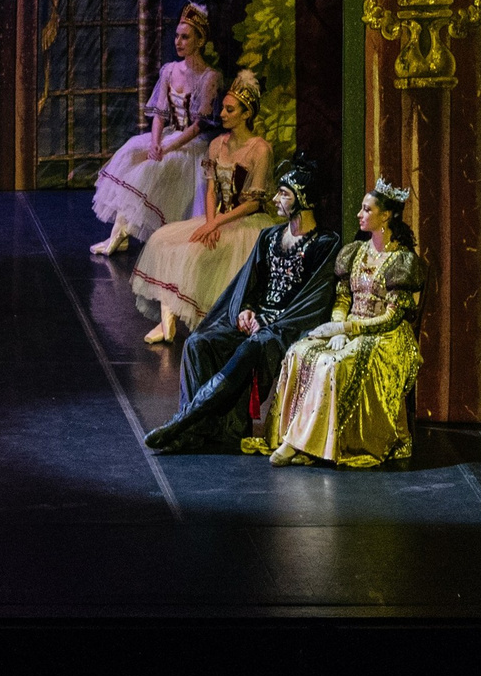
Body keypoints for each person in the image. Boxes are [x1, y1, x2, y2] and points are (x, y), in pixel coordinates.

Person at [142, 152, 340, 454]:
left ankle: (185, 422)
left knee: (252, 348)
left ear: (304, 200)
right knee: (199, 342)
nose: (275, 199)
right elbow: (247, 284)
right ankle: (199, 427)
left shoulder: (325, 244)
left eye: (283, 194)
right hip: (256, 323)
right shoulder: (269, 237)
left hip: (283, 329)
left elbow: (313, 299)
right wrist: (245, 310)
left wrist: (270, 323)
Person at [250, 179, 424, 467]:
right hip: (351, 326)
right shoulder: (355, 251)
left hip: (386, 337)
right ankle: (293, 438)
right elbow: (343, 298)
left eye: (367, 210)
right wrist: (338, 324)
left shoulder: (401, 260)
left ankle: (301, 444)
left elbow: (393, 317)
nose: (359, 214)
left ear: (385, 216)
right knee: (299, 352)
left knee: (333, 364)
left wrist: (347, 329)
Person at [132, 70, 273, 344]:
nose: (222, 114)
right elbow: (211, 190)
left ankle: (192, 319)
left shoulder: (260, 149)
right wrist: (209, 221)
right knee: (162, 241)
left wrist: (216, 224)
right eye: (223, 108)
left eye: (230, 110)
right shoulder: (217, 145)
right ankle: (166, 320)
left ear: (246, 114)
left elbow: (254, 202)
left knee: (195, 254)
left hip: (247, 223)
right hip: (218, 217)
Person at [89, 4, 220, 255]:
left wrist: (167, 148)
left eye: (185, 37)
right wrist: (155, 143)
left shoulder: (209, 77)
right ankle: (119, 234)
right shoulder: (170, 70)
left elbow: (197, 127)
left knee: (152, 169)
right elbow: (159, 114)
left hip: (190, 144)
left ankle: (121, 235)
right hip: (168, 135)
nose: (178, 42)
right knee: (130, 156)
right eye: (177, 36)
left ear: (200, 41)